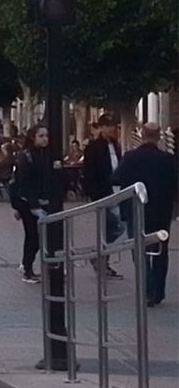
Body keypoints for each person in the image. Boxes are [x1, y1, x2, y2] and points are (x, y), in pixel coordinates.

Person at [113, 123, 178, 307]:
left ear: (142, 135)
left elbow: (116, 177)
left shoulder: (130, 157)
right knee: (160, 251)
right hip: (161, 212)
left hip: (136, 210)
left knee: (139, 251)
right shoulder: (167, 159)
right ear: (158, 137)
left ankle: (148, 289)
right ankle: (158, 290)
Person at [10, 125, 53, 284]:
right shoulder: (25, 156)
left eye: (46, 136)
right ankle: (27, 269)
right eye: (41, 136)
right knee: (33, 235)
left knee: (41, 235)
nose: (44, 139)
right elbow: (24, 182)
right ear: (33, 137)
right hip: (27, 202)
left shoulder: (46, 155)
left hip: (42, 200)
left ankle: (30, 264)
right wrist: (32, 206)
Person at [82, 114, 124, 279]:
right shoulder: (94, 147)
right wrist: (93, 193)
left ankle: (100, 257)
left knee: (112, 227)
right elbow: (89, 172)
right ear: (103, 128)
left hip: (117, 191)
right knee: (115, 224)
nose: (114, 129)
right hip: (103, 192)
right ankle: (99, 256)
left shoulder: (115, 145)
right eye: (111, 126)